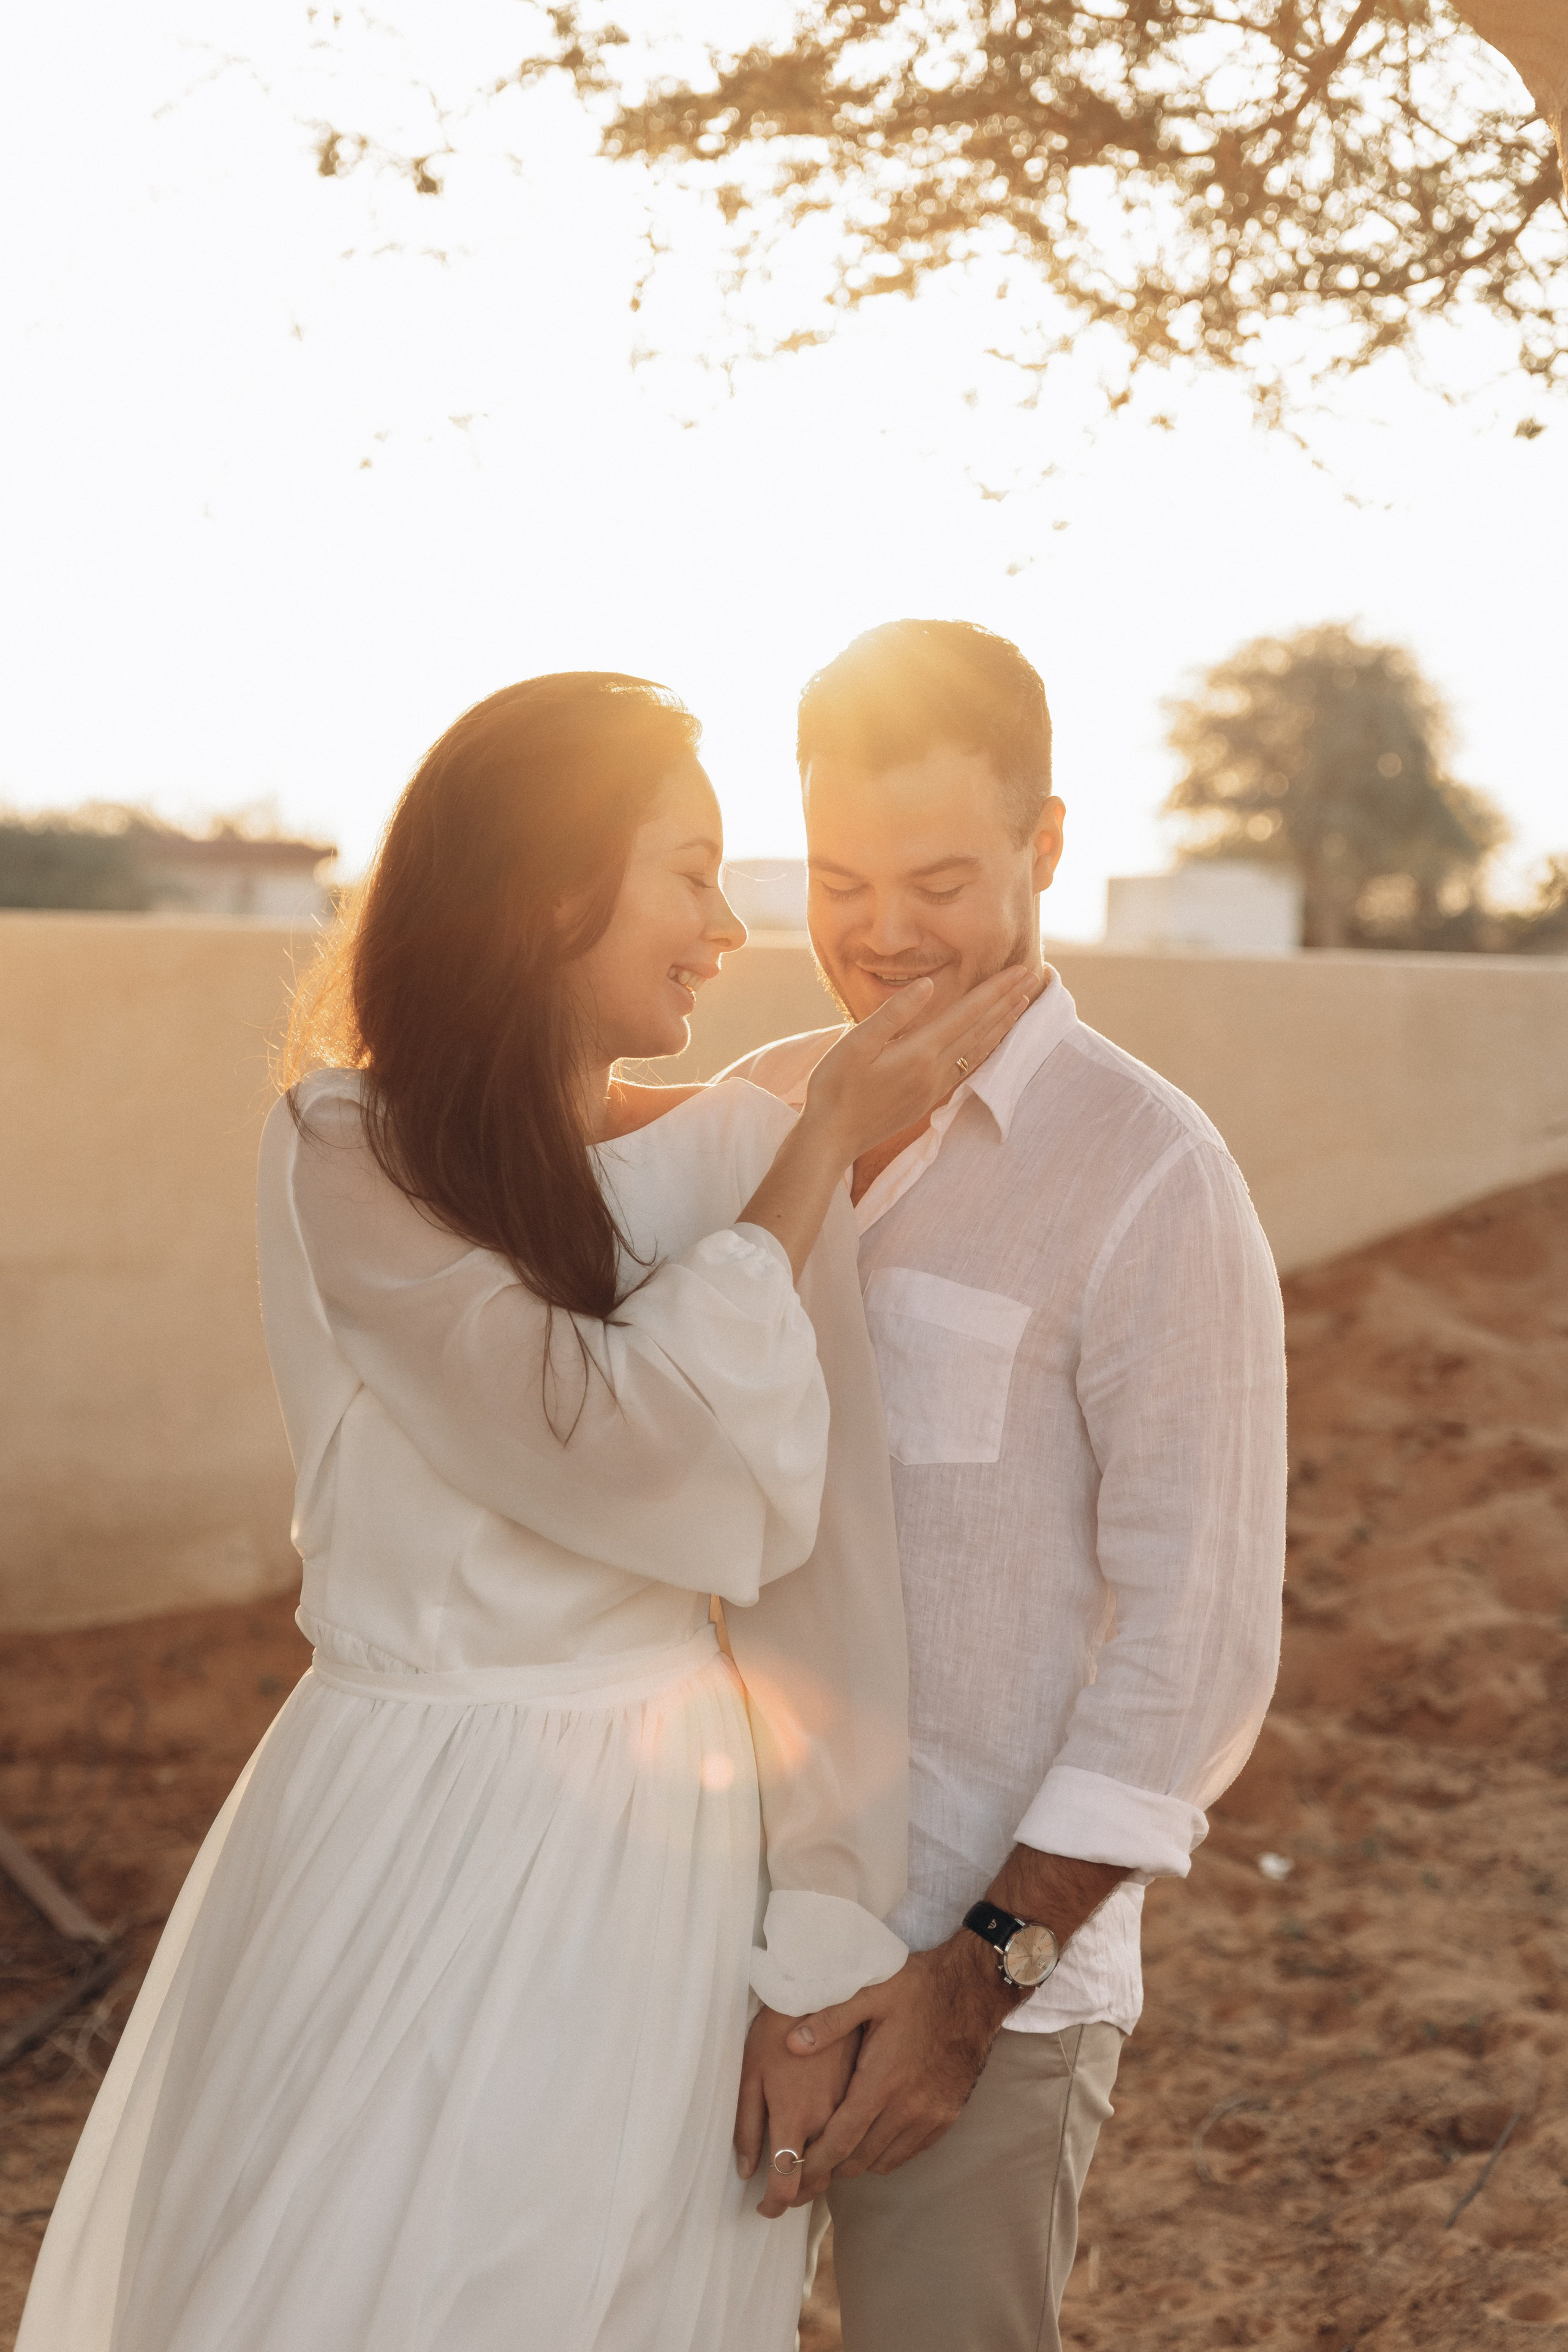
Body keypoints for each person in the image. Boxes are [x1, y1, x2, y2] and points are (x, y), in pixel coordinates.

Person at [15, 671, 1040, 2352]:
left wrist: (819, 1946)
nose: (730, 924)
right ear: (557, 885)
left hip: (658, 1865)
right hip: (398, 1818)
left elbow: (828, 1582)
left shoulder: (733, 1153)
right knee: (333, 2281)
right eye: (690, 869)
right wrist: (822, 1152)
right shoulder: (347, 1151)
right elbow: (605, 1445)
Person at [724, 621, 1288, 2352]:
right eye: (839, 878)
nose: (882, 932)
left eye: (942, 878)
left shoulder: (1150, 1176)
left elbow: (1190, 1650)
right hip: (694, 1953)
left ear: (1050, 848)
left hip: (968, 1992)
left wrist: (980, 1976)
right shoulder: (747, 1124)